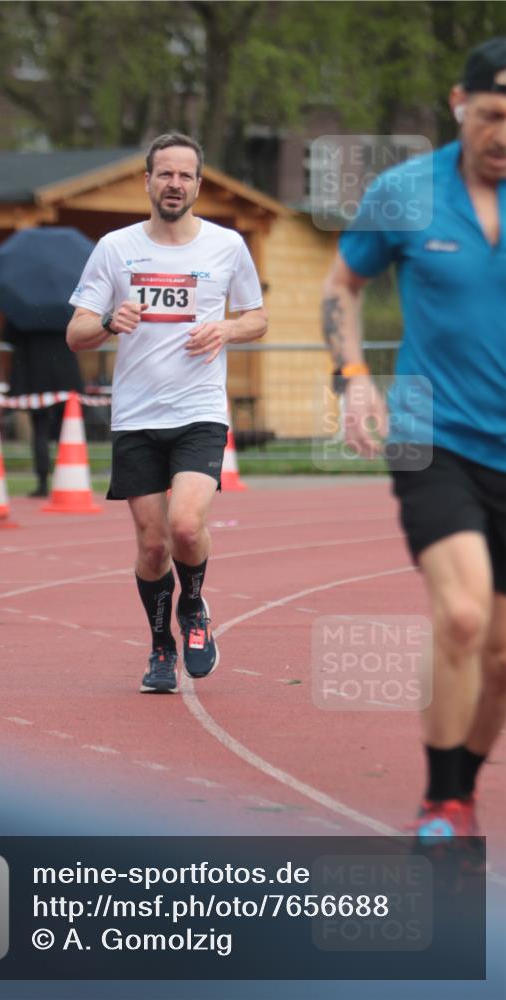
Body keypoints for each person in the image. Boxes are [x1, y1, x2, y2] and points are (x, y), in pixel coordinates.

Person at [321, 37, 506, 844]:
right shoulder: (404, 192)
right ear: (458, 104)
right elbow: (342, 286)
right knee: (461, 616)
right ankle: (439, 805)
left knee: (498, 657)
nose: (504, 135)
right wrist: (353, 374)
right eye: (493, 115)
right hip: (433, 434)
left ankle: (460, 793)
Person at [67, 132, 267, 693]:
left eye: (185, 175)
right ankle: (161, 648)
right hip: (135, 416)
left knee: (185, 525)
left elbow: (257, 318)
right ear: (148, 182)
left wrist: (226, 327)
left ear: (199, 185)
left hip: (200, 410)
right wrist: (110, 322)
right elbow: (76, 332)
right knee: (152, 544)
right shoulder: (115, 247)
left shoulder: (226, 246)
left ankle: (195, 608)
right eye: (165, 174)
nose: (174, 183)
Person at [3, 320, 84, 497]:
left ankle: (42, 481)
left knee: (40, 429)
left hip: (34, 372)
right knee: (67, 431)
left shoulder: (22, 311)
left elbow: (8, 336)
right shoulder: (65, 308)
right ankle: (68, 480)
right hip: (64, 372)